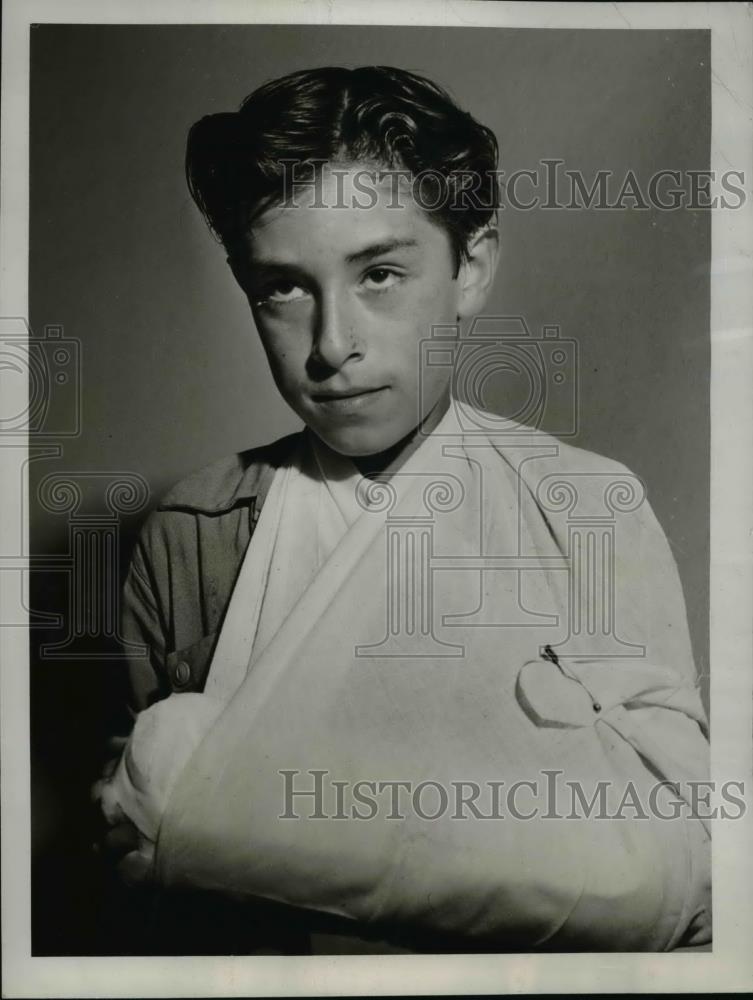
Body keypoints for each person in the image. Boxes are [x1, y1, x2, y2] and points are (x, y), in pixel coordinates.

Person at [95, 66, 711, 953]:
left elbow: (677, 870)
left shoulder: (587, 508)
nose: (332, 345)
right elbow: (149, 894)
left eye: (379, 273)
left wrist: (233, 824)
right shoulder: (194, 535)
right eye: (283, 287)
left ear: (472, 267)